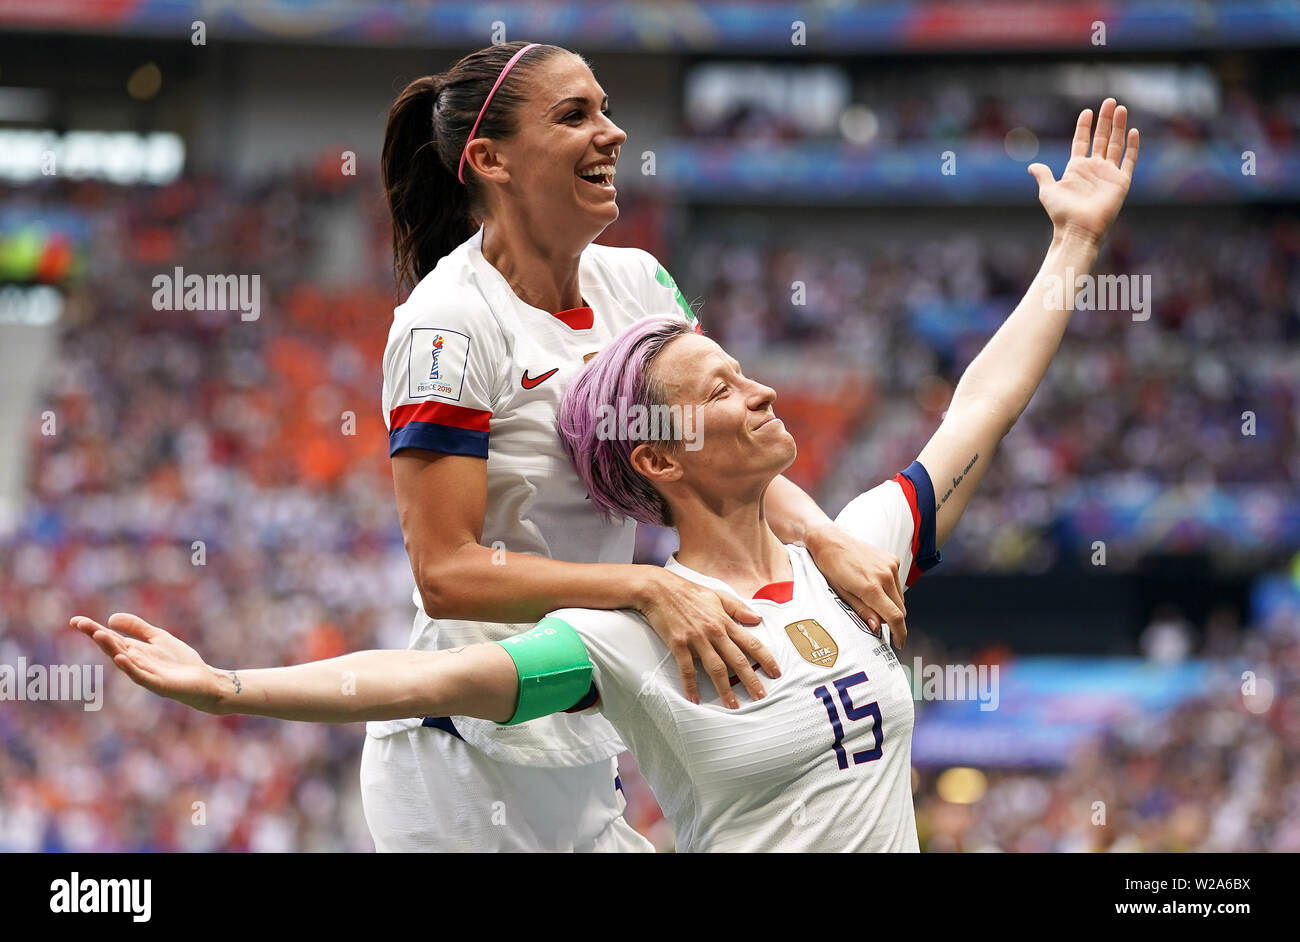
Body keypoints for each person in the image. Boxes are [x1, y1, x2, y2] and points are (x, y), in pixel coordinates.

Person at [72, 94, 1141, 850]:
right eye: (721, 389)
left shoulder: (851, 555)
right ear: (656, 456)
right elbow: (433, 670)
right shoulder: (628, 633)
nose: (763, 392)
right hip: (464, 787)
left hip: (578, 780)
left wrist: (1071, 249)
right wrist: (225, 690)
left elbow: (980, 409)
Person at [365, 40, 912, 850]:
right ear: (489, 159)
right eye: (575, 115)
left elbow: (728, 440)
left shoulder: (641, 283)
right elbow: (446, 573)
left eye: (607, 108)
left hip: (578, 728)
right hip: (459, 759)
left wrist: (823, 537)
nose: (613, 133)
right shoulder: (446, 324)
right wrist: (642, 589)